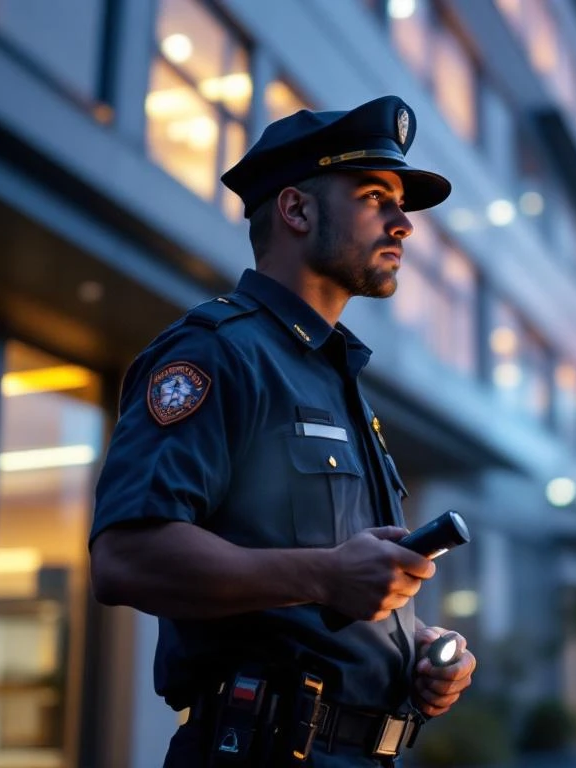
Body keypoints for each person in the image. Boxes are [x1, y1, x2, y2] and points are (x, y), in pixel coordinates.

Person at [88, 95, 476, 767]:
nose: (403, 223)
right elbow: (125, 559)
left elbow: (329, 585)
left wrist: (412, 647)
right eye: (375, 195)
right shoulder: (218, 352)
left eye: (401, 205)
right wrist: (325, 576)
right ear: (297, 210)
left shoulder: (335, 375)